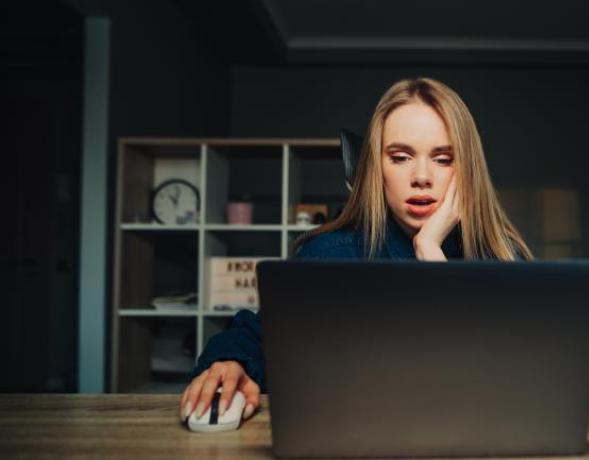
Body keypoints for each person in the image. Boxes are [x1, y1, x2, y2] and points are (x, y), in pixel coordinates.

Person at [179, 77, 533, 423]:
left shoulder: (501, 257)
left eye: (442, 159)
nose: (422, 176)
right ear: (375, 167)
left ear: (467, 171)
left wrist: (431, 255)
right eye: (400, 157)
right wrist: (230, 362)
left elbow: (515, 373)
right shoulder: (330, 254)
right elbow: (258, 335)